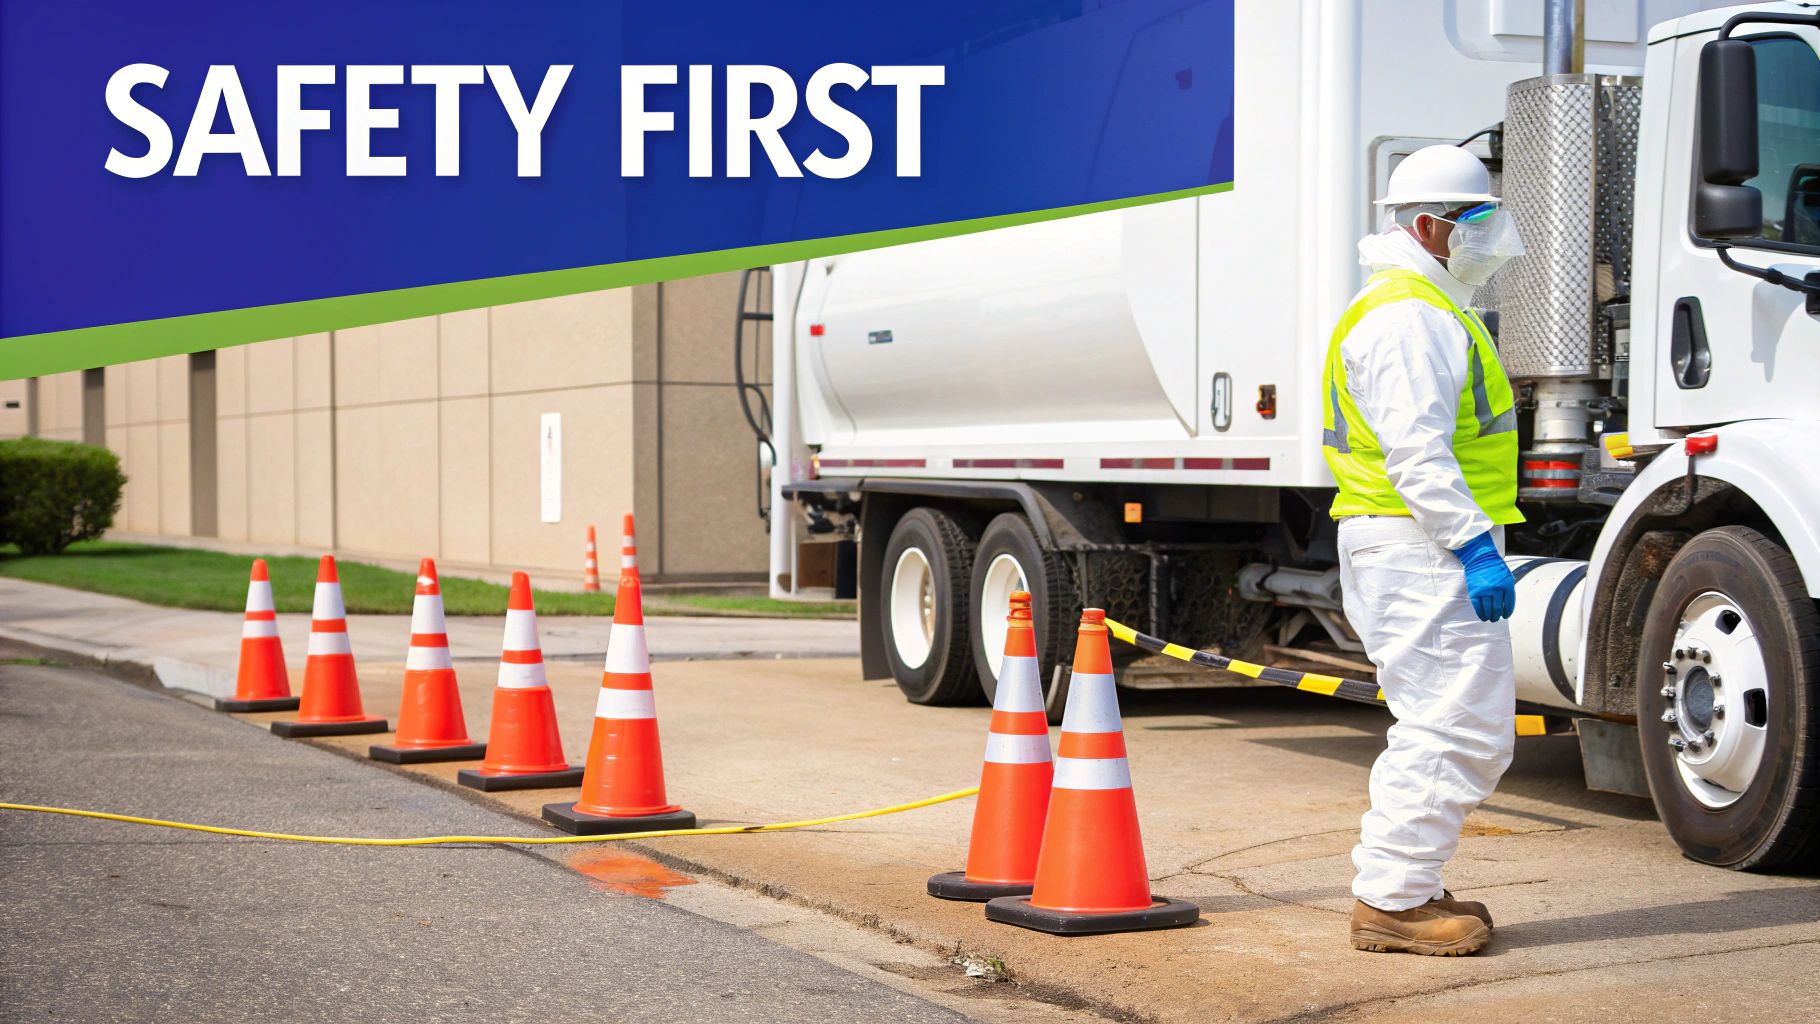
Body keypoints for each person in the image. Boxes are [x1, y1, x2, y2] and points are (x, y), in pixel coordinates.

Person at [1320, 144, 1527, 957]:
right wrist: (1474, 545)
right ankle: (1394, 901)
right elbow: (1419, 453)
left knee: (1443, 721)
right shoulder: (1411, 317)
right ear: (1431, 226)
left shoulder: (1417, 305)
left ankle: (1408, 883)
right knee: (1456, 729)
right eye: (1477, 221)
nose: (1491, 236)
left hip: (1407, 542)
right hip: (1421, 545)